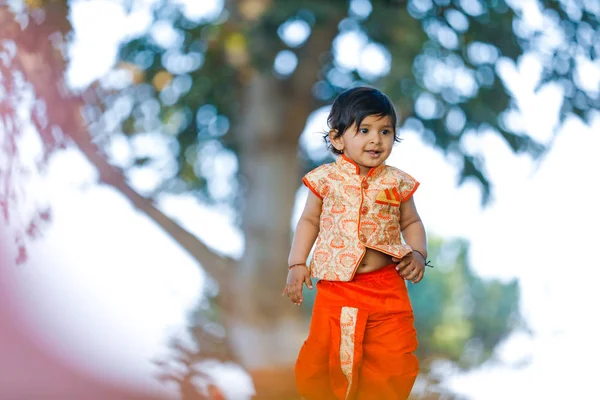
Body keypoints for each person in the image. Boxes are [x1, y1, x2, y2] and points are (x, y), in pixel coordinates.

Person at [284, 86, 429, 399]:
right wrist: (297, 264)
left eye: (385, 131)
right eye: (364, 130)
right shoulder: (323, 179)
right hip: (336, 288)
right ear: (337, 138)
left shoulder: (398, 181)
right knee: (324, 357)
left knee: (394, 358)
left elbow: (412, 222)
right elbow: (309, 221)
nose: (376, 139)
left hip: (387, 289)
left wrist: (418, 253)